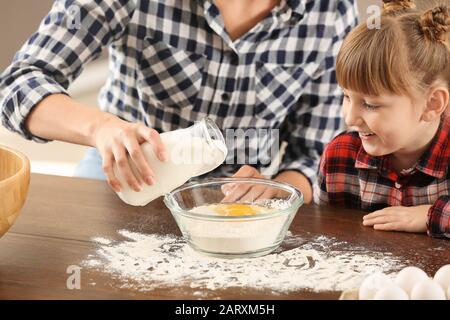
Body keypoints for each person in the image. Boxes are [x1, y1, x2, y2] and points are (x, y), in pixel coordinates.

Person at [0, 0, 358, 203]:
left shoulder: (331, 11)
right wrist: (101, 128)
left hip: (238, 192)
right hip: (126, 173)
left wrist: (281, 188)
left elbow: (312, 153)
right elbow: (18, 84)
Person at [314, 0, 450, 238]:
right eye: (346, 96)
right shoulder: (340, 155)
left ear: (432, 104)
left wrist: (430, 215)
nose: (350, 118)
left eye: (370, 104)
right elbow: (323, 232)